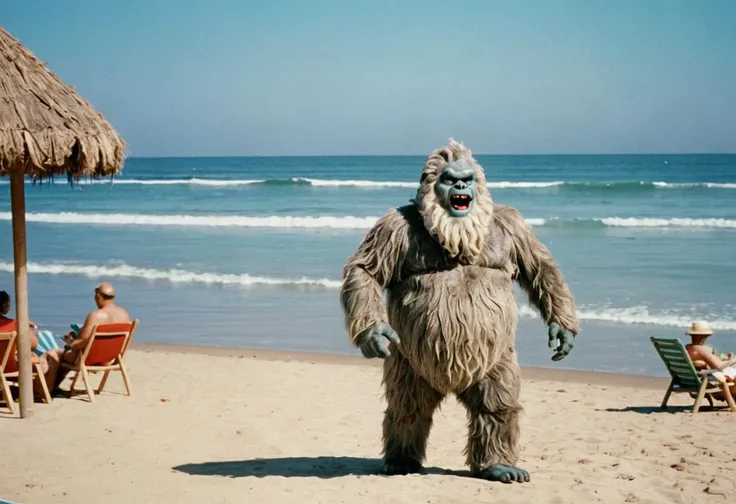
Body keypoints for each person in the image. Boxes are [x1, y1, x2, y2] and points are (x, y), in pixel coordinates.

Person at [42, 283, 131, 392]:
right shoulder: (124, 314)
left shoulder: (95, 316)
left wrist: (71, 342)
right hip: (110, 358)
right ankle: (54, 387)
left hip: (90, 359)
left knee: (54, 354)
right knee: (67, 354)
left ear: (98, 296)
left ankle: (47, 390)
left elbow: (82, 342)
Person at [684, 320, 736, 397]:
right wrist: (732, 360)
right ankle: (730, 398)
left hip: (691, 379)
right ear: (703, 337)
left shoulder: (688, 348)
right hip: (704, 379)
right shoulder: (700, 350)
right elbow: (719, 366)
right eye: (706, 336)